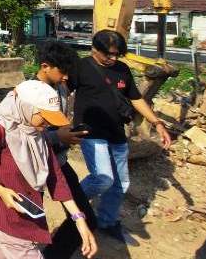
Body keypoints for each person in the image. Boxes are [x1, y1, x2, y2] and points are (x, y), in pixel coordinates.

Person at [0, 80, 98, 259]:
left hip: (28, 213)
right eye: (44, 116)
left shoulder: (37, 134)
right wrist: (1, 190)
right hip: (5, 215)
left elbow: (55, 177)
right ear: (26, 108)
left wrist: (79, 219)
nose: (47, 123)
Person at [72, 30, 172, 244]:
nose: (113, 59)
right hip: (90, 133)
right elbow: (62, 89)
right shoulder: (81, 68)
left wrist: (157, 123)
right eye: (108, 54)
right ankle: (71, 201)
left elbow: (135, 99)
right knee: (102, 178)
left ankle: (107, 222)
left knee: (120, 184)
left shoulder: (122, 69)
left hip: (117, 134)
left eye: (117, 54)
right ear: (95, 49)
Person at [19, 42, 97, 258]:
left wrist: (67, 135)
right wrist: (57, 136)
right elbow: (21, 138)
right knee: (29, 224)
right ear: (45, 66)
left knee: (86, 218)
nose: (66, 78)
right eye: (63, 72)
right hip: (32, 169)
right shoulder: (26, 93)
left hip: (58, 163)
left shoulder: (60, 88)